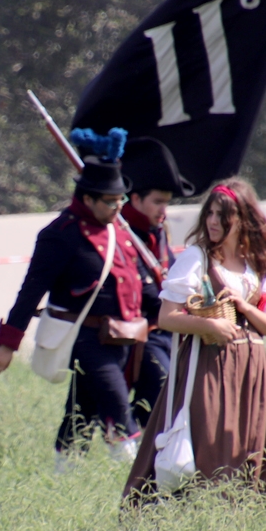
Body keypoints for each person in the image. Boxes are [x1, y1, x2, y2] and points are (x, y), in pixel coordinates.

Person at [123, 178, 266, 501]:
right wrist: (210, 327)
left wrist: (244, 307)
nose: (213, 221)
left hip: (252, 373)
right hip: (207, 369)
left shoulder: (258, 263)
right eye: (210, 213)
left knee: (255, 448)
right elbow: (166, 317)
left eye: (222, 215)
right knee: (210, 451)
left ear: (243, 219)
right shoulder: (196, 258)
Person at [0, 128, 146, 464]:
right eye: (110, 201)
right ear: (87, 198)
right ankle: (141, 479)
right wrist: (8, 344)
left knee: (81, 410)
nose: (118, 207)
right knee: (120, 411)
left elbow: (137, 283)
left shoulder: (120, 231)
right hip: (83, 337)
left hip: (122, 338)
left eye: (120, 199)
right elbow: (31, 290)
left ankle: (65, 473)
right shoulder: (60, 235)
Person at [119, 137, 194, 428]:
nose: (163, 210)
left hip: (166, 330)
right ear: (136, 199)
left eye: (166, 202)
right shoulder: (122, 233)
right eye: (157, 202)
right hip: (139, 333)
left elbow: (170, 272)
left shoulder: (157, 231)